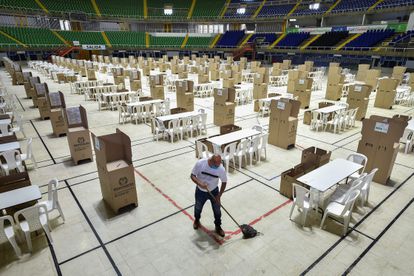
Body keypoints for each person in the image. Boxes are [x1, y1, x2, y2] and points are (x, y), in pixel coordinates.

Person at [190, 154, 227, 237]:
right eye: (216, 164)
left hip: (214, 191)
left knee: (217, 210)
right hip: (200, 191)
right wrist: (199, 183)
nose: (219, 165)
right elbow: (192, 175)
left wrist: (219, 195)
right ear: (211, 161)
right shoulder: (200, 164)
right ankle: (197, 220)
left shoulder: (221, 169)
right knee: (198, 207)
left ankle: (218, 226)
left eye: (220, 162)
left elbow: (224, 182)